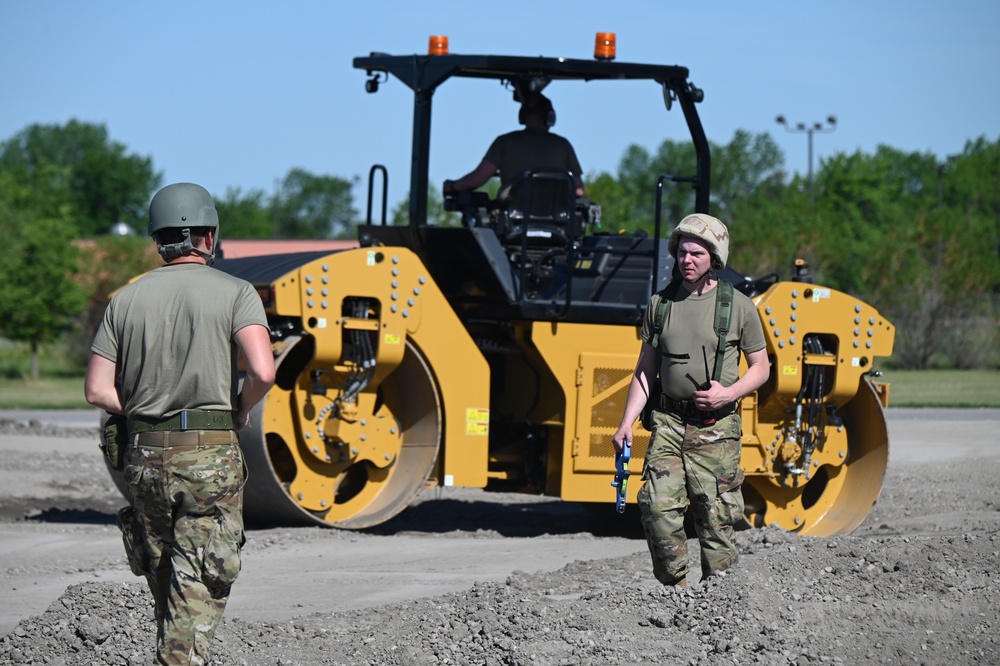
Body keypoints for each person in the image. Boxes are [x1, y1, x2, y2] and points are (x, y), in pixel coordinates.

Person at [84, 182, 275, 664]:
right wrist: (241, 408)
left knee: (168, 584)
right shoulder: (237, 293)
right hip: (210, 456)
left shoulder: (125, 300)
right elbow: (263, 370)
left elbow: (97, 390)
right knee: (198, 588)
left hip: (145, 457)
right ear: (209, 237)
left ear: (158, 239)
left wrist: (148, 405)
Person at [611, 213, 769, 587]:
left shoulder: (740, 307)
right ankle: (675, 593)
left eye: (696, 253)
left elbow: (761, 368)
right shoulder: (660, 304)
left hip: (716, 429)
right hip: (667, 423)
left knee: (716, 519)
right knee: (657, 507)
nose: (687, 260)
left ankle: (719, 601)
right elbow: (645, 370)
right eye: (682, 252)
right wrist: (626, 422)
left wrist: (728, 393)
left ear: (714, 258)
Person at [443, 92, 585, 198]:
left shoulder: (504, 142)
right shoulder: (562, 145)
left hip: (512, 220)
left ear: (522, 116)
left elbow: (477, 179)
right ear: (549, 117)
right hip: (557, 222)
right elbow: (578, 189)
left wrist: (453, 186)